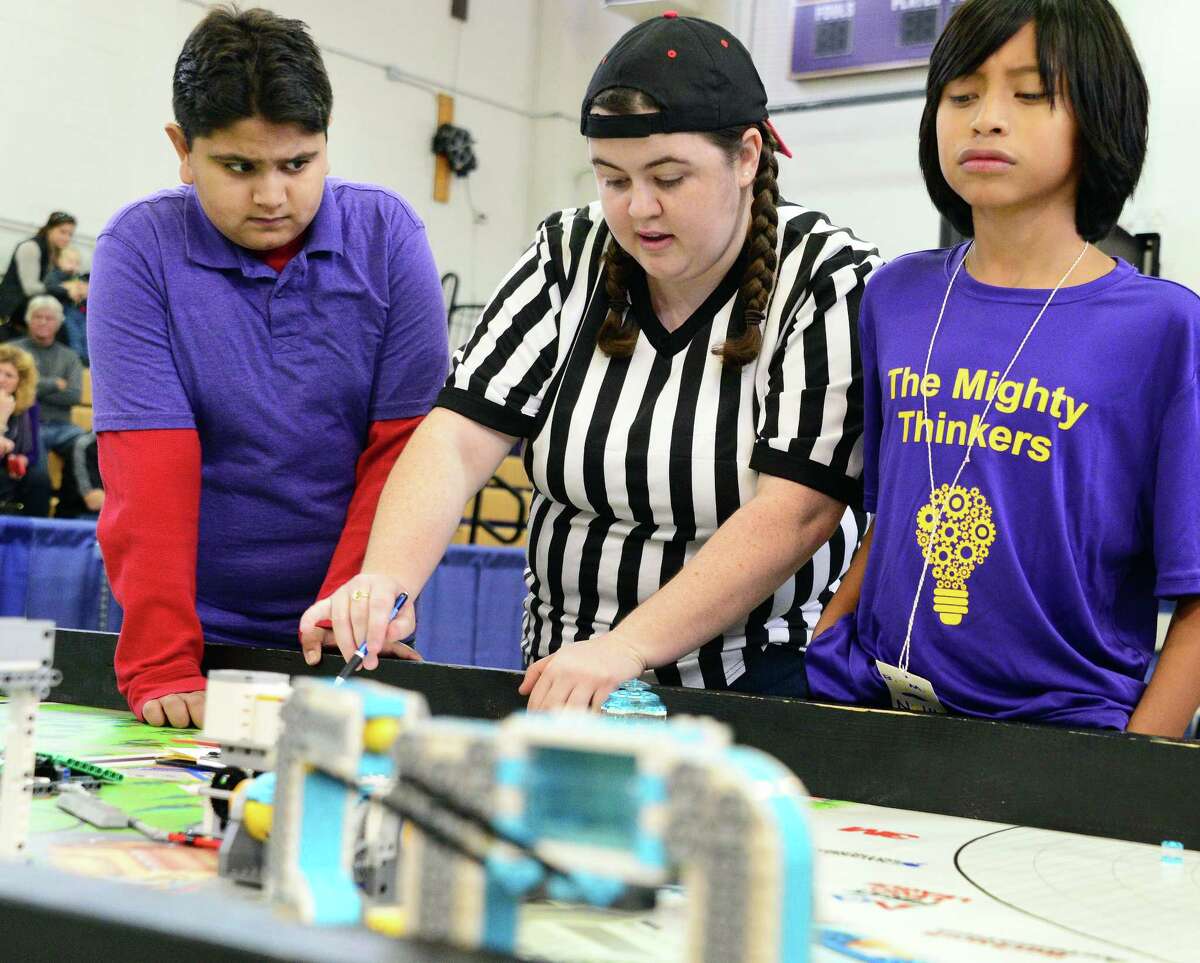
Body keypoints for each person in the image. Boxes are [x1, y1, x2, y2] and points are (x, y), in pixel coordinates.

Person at [303, 13, 881, 711]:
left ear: (748, 156)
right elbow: (455, 440)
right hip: (560, 682)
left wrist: (627, 646)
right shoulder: (566, 254)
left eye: (670, 177)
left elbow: (796, 514)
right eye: (613, 179)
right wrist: (384, 585)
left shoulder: (826, 278)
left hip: (757, 692)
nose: (640, 208)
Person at [805, 0, 1200, 738]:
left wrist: (1136, 772)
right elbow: (887, 515)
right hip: (870, 708)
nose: (986, 118)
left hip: (1063, 738)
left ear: (1098, 119)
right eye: (961, 95)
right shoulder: (895, 296)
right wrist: (832, 640)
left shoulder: (1164, 328)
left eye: (1029, 93)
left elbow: (1198, 596)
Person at [87, 6, 448, 728]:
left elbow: (402, 456)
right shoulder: (138, 250)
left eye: (297, 163)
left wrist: (355, 613)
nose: (272, 195)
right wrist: (162, 657)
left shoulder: (389, 238)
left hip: (350, 625)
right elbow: (148, 471)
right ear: (183, 150)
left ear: (325, 144)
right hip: (186, 632)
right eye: (239, 167)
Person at [13, 296, 84, 468]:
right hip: (25, 425)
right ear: (29, 320)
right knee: (34, 442)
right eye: (38, 317)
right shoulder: (14, 351)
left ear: (58, 323)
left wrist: (32, 387)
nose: (43, 322)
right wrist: (54, 384)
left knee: (86, 443)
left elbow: (74, 396)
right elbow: (14, 389)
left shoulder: (70, 356)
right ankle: (39, 494)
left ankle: (76, 495)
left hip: (63, 426)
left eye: (49, 318)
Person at [0, 212, 80, 340]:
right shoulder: (31, 247)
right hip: (10, 315)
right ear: (49, 229)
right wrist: (64, 290)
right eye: (62, 232)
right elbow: (30, 288)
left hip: (28, 311)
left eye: (70, 234)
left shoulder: (54, 252)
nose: (67, 238)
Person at [0, 343, 41, 513]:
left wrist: (22, 460)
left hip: (12, 464)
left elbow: (33, 452)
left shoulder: (29, 405)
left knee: (39, 479)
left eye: (8, 375)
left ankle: (36, 533)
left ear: (21, 381)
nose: (1, 379)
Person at [45, 247, 90, 362]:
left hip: (79, 312)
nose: (73, 265)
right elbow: (50, 287)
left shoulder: (78, 277)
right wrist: (67, 290)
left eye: (76, 263)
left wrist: (83, 292)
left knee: (85, 332)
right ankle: (77, 357)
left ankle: (88, 357)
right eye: (70, 261)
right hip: (64, 312)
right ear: (60, 261)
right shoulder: (55, 275)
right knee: (73, 332)